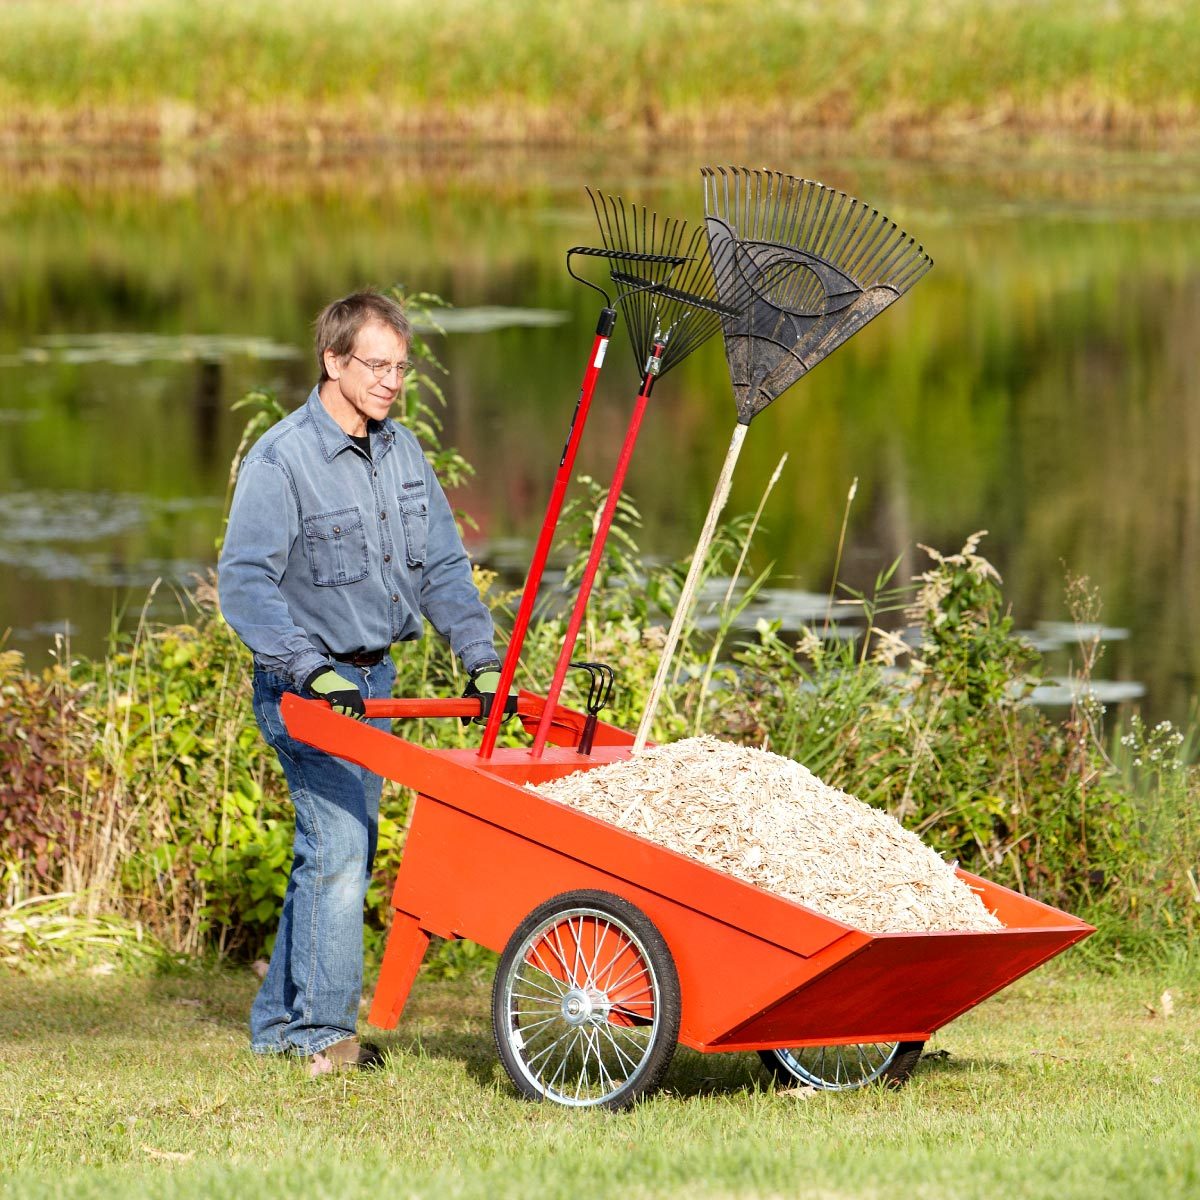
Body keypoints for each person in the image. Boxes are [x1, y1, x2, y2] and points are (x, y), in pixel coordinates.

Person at [218, 291, 502, 1075]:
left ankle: (279, 1025)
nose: (391, 382)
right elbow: (244, 584)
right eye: (376, 365)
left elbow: (443, 568)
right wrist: (310, 668)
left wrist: (481, 657)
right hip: (308, 690)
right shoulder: (282, 460)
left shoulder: (403, 453)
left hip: (379, 684)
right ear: (333, 361)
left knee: (339, 846)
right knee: (340, 846)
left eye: (401, 368)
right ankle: (322, 1037)